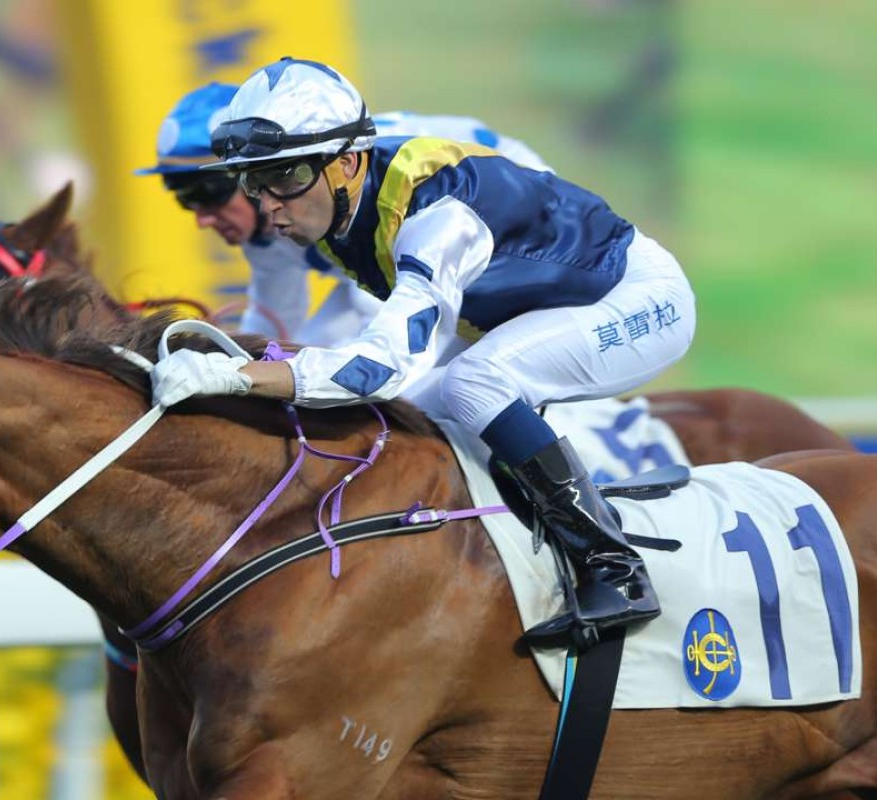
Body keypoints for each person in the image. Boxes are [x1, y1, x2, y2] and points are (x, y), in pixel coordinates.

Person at [150, 57, 696, 647]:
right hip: (523, 306)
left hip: (633, 298)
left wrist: (237, 377)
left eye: (284, 177)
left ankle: (613, 568)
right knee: (402, 412)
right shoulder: (325, 203)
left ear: (347, 163)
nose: (268, 204)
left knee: (472, 383)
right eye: (252, 182)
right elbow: (295, 335)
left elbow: (377, 367)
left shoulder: (436, 215)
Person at [135, 82, 552, 348]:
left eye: (208, 192)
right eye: (184, 198)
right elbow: (274, 324)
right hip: (425, 256)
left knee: (367, 330)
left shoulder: (359, 172)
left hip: (522, 217)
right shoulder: (270, 217)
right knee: (315, 347)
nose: (202, 219)